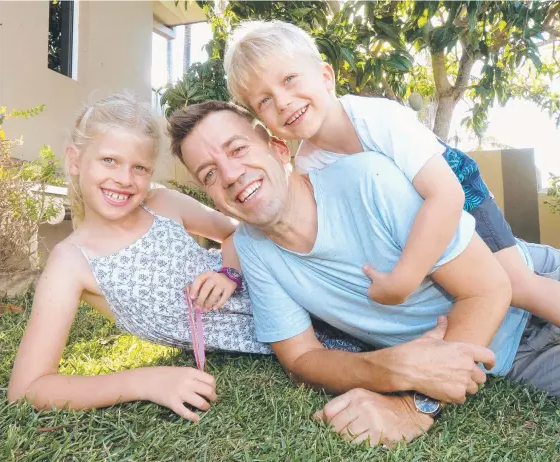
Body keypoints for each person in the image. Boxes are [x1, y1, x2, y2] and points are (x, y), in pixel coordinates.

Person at [168, 100, 560, 446]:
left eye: (237, 149)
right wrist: (391, 368)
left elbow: (490, 288)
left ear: (277, 147)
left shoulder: (368, 178)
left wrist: (415, 407)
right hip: (511, 355)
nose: (231, 175)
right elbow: (301, 358)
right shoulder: (253, 249)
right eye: (209, 175)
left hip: (533, 280)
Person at [222, 20, 560, 328]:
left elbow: (446, 195)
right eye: (264, 100)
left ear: (326, 77)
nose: (282, 101)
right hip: (415, 214)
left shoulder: (377, 118)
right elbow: (255, 229)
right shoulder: (310, 164)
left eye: (289, 80)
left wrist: (404, 278)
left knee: (516, 283)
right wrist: (231, 272)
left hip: (457, 189)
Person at [7, 93, 276, 422]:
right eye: (109, 160)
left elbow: (236, 232)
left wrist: (229, 273)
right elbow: (27, 387)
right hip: (270, 339)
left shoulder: (162, 203)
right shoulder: (71, 262)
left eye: (139, 167)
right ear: (75, 160)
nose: (123, 178)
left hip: (273, 286)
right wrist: (145, 381)